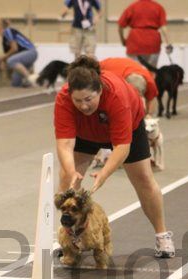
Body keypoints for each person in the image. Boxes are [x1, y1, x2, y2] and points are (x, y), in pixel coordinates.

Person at [54, 56, 175, 258]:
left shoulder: (117, 97)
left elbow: (121, 147)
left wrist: (104, 173)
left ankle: (162, 236)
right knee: (67, 178)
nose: (83, 106)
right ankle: (69, 237)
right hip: (87, 131)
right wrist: (71, 170)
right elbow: (65, 144)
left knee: (144, 180)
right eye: (78, 101)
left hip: (128, 128)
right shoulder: (64, 99)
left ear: (100, 90)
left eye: (88, 99)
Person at [118, 0, 172, 68]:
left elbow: (120, 26)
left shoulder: (132, 7)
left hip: (135, 41)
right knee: (152, 71)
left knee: (134, 69)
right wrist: (168, 43)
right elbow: (163, 27)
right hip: (153, 42)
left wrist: (123, 40)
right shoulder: (158, 7)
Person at [0, 18, 37, 88]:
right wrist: (1, 63)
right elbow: (9, 55)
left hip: (30, 52)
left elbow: (14, 49)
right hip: (22, 58)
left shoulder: (7, 31)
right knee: (15, 83)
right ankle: (27, 82)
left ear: (0, 26)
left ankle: (31, 79)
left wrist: (2, 58)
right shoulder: (4, 40)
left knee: (11, 61)